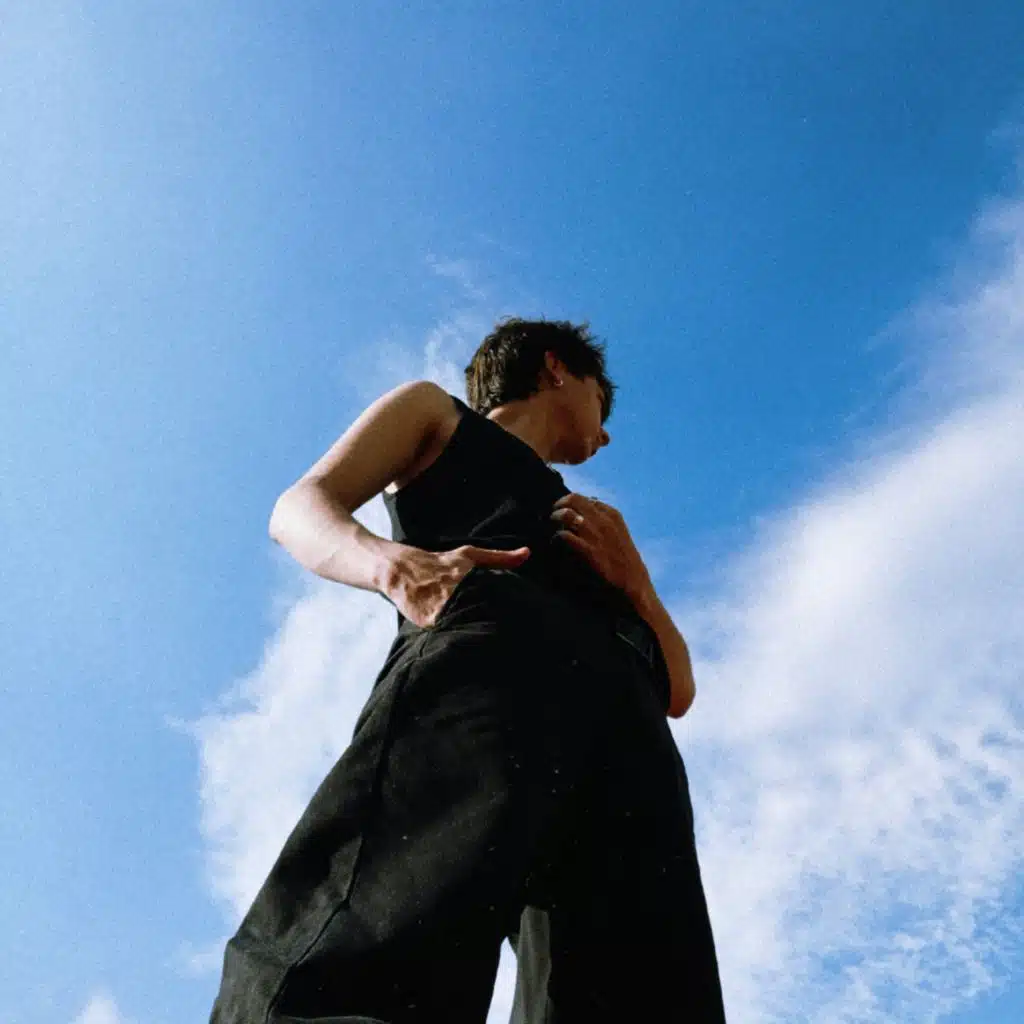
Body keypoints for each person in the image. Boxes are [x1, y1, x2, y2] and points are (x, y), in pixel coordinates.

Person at [209, 318, 726, 1023]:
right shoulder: (438, 415)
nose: (605, 435)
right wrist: (393, 566)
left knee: (646, 992)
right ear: (556, 368)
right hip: (488, 665)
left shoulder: (599, 525)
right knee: (378, 945)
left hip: (628, 736)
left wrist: (637, 584)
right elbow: (298, 509)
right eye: (601, 403)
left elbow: (679, 689)